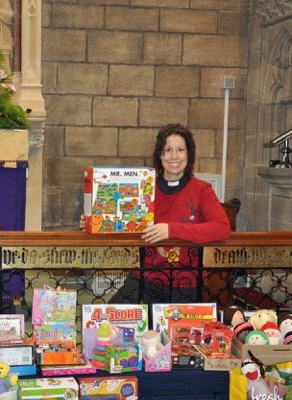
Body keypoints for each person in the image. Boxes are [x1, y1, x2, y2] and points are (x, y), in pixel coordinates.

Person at [81, 123, 231, 303]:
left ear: (188, 154)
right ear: (160, 155)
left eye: (180, 149)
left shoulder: (201, 190)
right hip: (145, 275)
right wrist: (93, 222)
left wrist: (171, 231)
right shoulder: (144, 187)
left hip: (185, 282)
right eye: (168, 149)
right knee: (110, 320)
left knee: (174, 331)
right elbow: (121, 221)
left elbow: (222, 228)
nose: (174, 156)